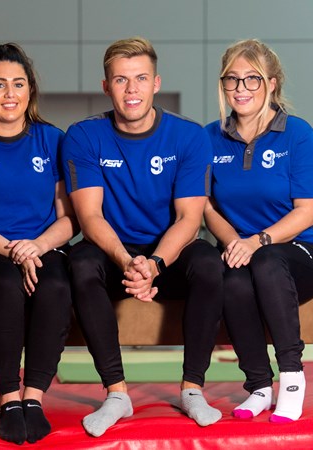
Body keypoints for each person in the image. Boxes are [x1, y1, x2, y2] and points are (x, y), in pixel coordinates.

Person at [61, 36, 225, 437]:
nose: (131, 90)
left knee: (207, 263)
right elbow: (89, 215)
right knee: (79, 264)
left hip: (166, 252)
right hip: (113, 251)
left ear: (156, 83)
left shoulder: (188, 137)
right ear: (106, 86)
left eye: (140, 79)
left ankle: (192, 389)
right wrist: (127, 262)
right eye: (120, 80)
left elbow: (189, 217)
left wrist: (153, 264)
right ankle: (116, 393)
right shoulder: (83, 136)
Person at [0, 43, 76, 445]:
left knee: (56, 285)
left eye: (18, 84)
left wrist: (35, 246)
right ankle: (8, 396)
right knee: (5, 284)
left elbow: (69, 218)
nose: (10, 93)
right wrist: (12, 250)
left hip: (43, 247)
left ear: (30, 90)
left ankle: (34, 397)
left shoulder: (53, 140)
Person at [203, 38, 313, 423]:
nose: (240, 89)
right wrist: (233, 243)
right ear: (222, 85)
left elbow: (307, 211)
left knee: (265, 260)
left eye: (252, 79)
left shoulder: (297, 134)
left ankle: (292, 378)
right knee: (233, 280)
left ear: (272, 84)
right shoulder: (211, 137)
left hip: (300, 252)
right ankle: (259, 385)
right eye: (232, 79)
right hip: (243, 252)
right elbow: (206, 206)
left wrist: (256, 241)